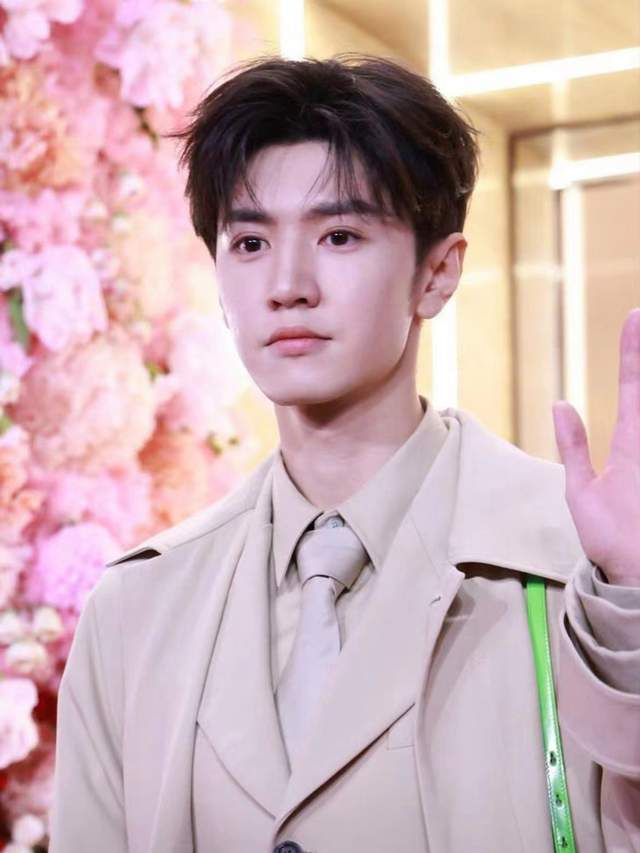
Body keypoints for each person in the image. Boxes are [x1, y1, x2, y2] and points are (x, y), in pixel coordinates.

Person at [49, 54, 640, 853]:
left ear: (437, 273)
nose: (288, 284)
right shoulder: (137, 609)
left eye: (339, 235)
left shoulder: (581, 566)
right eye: (249, 242)